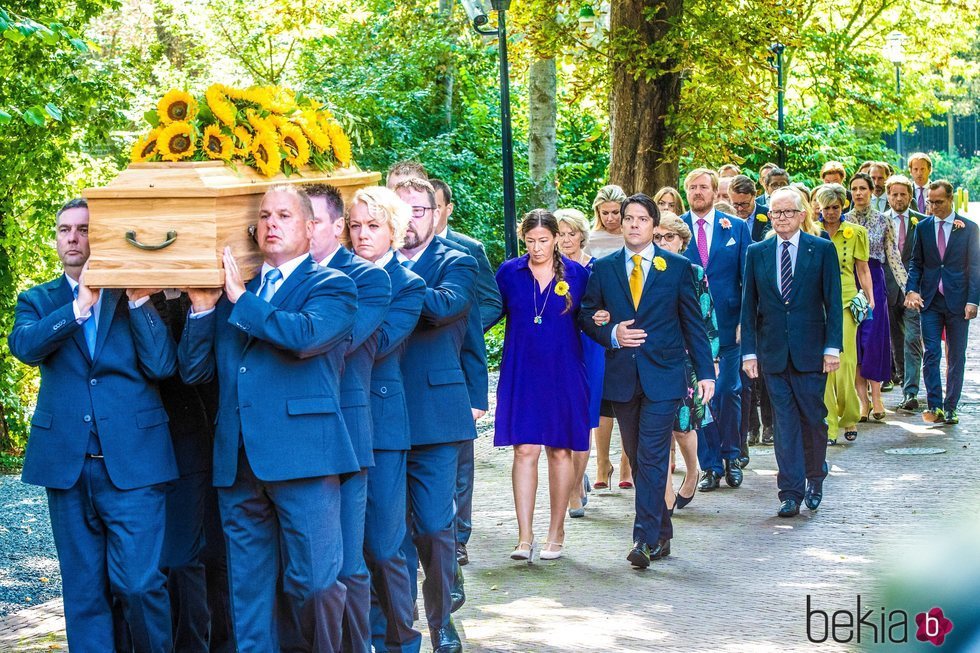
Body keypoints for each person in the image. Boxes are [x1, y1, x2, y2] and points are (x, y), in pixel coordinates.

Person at [179, 185, 359, 652]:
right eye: (264, 215)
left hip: (305, 457)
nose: (271, 223)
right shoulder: (238, 291)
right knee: (248, 595)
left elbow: (302, 336)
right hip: (238, 461)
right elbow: (196, 371)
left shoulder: (332, 285)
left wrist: (240, 300)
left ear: (310, 227)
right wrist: (202, 311)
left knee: (316, 585)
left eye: (284, 214)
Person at [9, 198, 178, 652]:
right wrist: (78, 308)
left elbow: (163, 365)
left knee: (140, 585)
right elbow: (24, 346)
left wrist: (140, 302)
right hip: (67, 465)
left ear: (98, 235)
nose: (72, 238)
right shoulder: (39, 300)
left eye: (83, 230)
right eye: (64, 229)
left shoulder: (137, 295)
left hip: (136, 466)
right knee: (83, 592)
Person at [580, 193, 715, 569]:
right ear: (620, 224)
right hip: (623, 376)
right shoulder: (604, 269)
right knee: (640, 459)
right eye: (628, 218)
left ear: (655, 226)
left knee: (654, 455)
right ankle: (662, 534)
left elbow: (693, 324)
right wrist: (611, 335)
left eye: (642, 218)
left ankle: (642, 538)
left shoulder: (676, 267)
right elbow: (587, 314)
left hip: (665, 376)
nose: (634, 224)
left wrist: (706, 372)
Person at [308, 182, 392, 653]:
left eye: (315, 221)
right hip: (294, 436)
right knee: (310, 568)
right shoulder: (281, 275)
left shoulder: (366, 278)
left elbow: (338, 344)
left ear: (334, 227)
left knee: (347, 562)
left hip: (345, 428)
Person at [394, 177, 477, 653]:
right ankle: (401, 625)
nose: (408, 221)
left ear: (436, 214)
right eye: (399, 212)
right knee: (390, 533)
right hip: (379, 411)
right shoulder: (365, 264)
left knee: (431, 524)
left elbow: (442, 308)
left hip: (437, 415)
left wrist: (388, 270)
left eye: (418, 211)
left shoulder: (456, 263)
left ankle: (441, 617)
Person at [346, 186, 426, 653]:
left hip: (381, 425)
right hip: (336, 423)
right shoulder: (332, 274)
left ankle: (400, 642)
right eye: (355, 225)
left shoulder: (408, 285)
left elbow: (374, 346)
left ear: (394, 232)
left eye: (373, 226)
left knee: (384, 545)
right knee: (348, 553)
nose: (362, 235)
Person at [741, 187, 843, 517]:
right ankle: (789, 491)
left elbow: (834, 303)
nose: (781, 219)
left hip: (811, 351)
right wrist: (749, 353)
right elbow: (749, 307)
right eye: (775, 213)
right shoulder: (757, 252)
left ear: (801, 215)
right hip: (772, 353)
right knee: (784, 423)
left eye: (787, 212)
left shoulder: (821, 250)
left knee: (813, 418)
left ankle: (815, 476)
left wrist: (832, 347)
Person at [495, 209, 590, 561]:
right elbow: (490, 312)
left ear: (556, 239)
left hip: (563, 370)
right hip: (522, 370)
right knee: (524, 450)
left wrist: (611, 328)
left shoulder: (578, 274)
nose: (537, 248)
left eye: (544, 240)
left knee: (560, 450)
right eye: (531, 241)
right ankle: (524, 536)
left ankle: (556, 531)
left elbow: (592, 318)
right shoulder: (509, 272)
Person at [150, 290, 234, 653]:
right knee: (175, 560)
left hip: (219, 433)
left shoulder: (220, 292)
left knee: (218, 556)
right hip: (164, 439)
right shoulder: (142, 297)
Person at [429, 177, 502, 570]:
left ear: (446, 209)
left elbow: (491, 302)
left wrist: (464, 329)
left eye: (436, 207)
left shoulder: (468, 250)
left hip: (456, 362)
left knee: (461, 459)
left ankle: (459, 536)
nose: (430, 214)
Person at [630, 212, 718, 510]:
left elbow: (706, 319)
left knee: (682, 426)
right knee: (657, 431)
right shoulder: (640, 269)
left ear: (683, 241)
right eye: (658, 237)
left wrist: (709, 363)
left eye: (669, 237)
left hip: (686, 361)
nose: (663, 242)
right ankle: (665, 495)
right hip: (650, 358)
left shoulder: (692, 271)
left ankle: (692, 470)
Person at [679, 168, 750, 491]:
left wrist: (744, 324)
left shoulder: (735, 228)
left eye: (703, 187)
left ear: (713, 191)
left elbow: (749, 281)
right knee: (701, 399)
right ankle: (709, 465)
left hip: (730, 327)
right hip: (691, 330)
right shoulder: (674, 230)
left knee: (727, 392)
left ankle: (732, 455)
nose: (697, 192)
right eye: (692, 187)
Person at [905, 180, 980, 425]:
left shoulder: (969, 228)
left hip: (958, 300)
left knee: (956, 355)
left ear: (950, 200)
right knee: (932, 353)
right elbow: (916, 262)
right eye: (931, 202)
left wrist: (973, 301)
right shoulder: (923, 227)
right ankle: (935, 404)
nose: (934, 206)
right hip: (930, 300)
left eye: (939, 202)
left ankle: (951, 407)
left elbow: (975, 267)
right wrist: (911, 290)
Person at [814, 184, 873, 444]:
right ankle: (828, 425)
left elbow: (863, 269)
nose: (830, 212)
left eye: (835, 207)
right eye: (826, 208)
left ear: (843, 206)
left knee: (846, 362)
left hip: (848, 301)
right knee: (824, 364)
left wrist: (870, 299)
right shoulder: (812, 232)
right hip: (818, 303)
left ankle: (849, 416)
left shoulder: (856, 232)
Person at [847, 172, 907, 422]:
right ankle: (863, 402)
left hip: (875, 278)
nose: (859, 193)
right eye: (854, 189)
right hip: (849, 280)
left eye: (863, 188)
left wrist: (908, 288)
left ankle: (877, 396)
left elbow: (893, 255)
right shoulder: (843, 220)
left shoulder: (883, 221)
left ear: (872, 191)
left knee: (873, 340)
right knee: (855, 342)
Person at [586, 183, 634, 490]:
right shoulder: (590, 240)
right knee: (602, 399)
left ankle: (628, 464)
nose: (612, 218)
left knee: (629, 395)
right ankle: (603, 461)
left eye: (617, 212)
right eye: (606, 213)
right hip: (601, 321)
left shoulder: (632, 237)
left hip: (630, 315)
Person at [556, 208, 598, 518]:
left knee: (584, 419)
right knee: (562, 418)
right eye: (560, 233)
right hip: (559, 350)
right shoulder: (544, 268)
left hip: (591, 348)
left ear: (582, 235)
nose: (567, 239)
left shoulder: (597, 268)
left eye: (572, 233)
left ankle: (574, 486)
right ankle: (572, 483)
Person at [727, 174, 774, 449]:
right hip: (738, 300)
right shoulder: (727, 223)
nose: (740, 209)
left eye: (744, 204)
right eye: (735, 204)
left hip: (764, 300)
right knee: (746, 373)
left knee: (764, 370)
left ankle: (768, 423)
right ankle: (750, 427)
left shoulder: (768, 217)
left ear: (754, 198)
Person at [883, 175, 926, 409]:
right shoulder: (880, 221)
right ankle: (901, 380)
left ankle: (911, 391)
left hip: (914, 292)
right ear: (888, 196)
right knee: (895, 341)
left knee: (912, 339)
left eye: (903, 194)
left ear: (910, 195)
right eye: (894, 194)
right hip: (888, 290)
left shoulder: (922, 222)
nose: (899, 198)